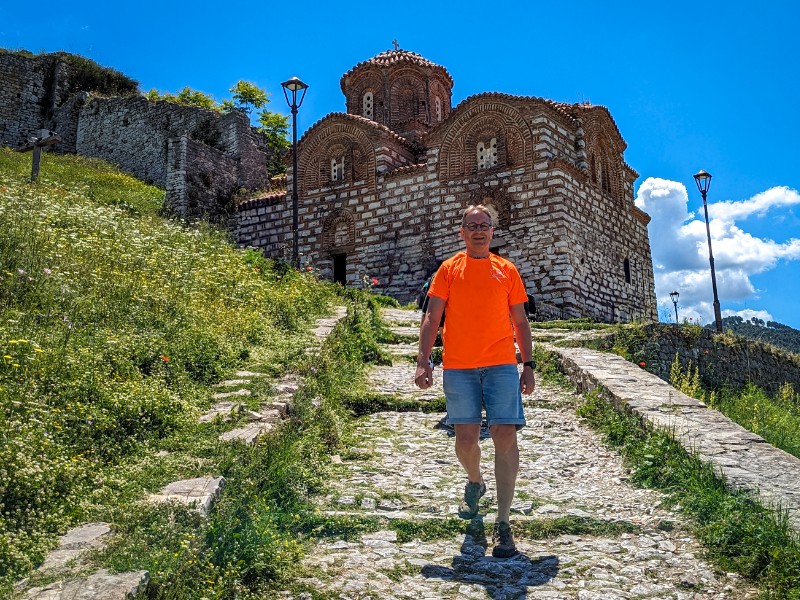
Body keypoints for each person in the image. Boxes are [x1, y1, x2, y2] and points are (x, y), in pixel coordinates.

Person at [414, 204, 535, 559]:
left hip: (500, 365)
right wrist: (424, 360)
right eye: (472, 225)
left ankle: (503, 522)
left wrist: (527, 364)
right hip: (459, 367)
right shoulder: (449, 270)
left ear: (492, 232)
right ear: (462, 233)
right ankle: (475, 480)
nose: (479, 230)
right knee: (466, 439)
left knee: (504, 434)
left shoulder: (506, 270)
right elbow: (432, 315)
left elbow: (521, 321)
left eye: (484, 225)